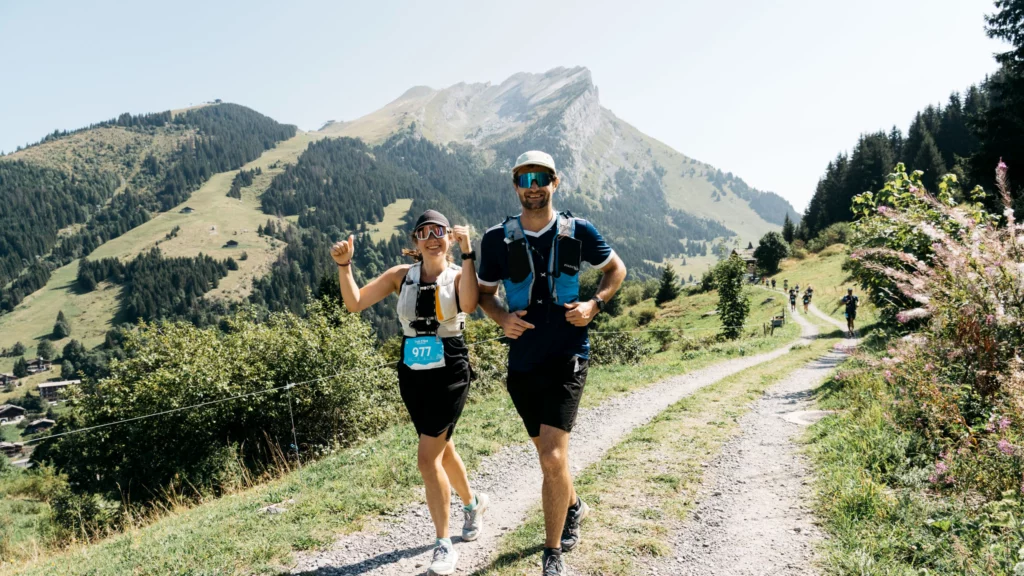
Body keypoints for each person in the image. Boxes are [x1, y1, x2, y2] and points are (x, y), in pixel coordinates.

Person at [477, 150, 626, 576]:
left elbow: (616, 270)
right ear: (515, 186)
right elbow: (485, 294)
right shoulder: (495, 239)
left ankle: (553, 551)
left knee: (550, 458)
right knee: (549, 455)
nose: (533, 186)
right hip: (523, 362)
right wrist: (502, 317)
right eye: (525, 179)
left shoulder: (578, 230)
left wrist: (595, 304)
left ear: (555, 182)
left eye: (540, 177)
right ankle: (574, 504)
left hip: (568, 355)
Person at [330, 210, 488, 576]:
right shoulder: (400, 277)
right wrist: (345, 265)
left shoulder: (460, 273)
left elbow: (467, 306)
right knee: (441, 445)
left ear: (449, 237)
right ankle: (473, 503)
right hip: (413, 370)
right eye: (424, 232)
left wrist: (468, 254)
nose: (432, 237)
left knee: (427, 457)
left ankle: (443, 544)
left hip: (450, 367)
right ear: (415, 241)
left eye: (439, 231)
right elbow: (354, 303)